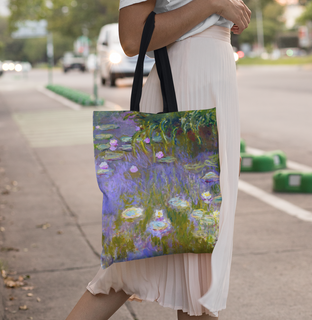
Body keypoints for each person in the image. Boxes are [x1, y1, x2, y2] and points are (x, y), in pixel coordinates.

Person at [66, 0, 251, 319]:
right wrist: (213, 4)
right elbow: (132, 38)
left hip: (211, 84)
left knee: (181, 251)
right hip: (187, 92)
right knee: (197, 249)